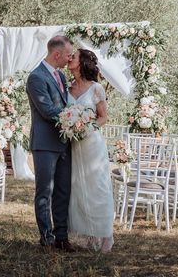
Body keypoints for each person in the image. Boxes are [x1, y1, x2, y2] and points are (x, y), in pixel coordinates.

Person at [26, 35, 75, 252]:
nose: (69, 59)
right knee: (44, 192)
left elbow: (62, 104)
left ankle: (61, 237)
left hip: (64, 143)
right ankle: (46, 238)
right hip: (45, 144)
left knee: (63, 191)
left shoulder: (62, 78)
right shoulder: (36, 77)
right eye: (67, 55)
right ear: (57, 54)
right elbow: (47, 110)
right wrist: (75, 118)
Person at [67, 49, 114, 252]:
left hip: (93, 146)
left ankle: (104, 235)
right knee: (77, 189)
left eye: (74, 56)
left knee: (98, 189)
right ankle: (89, 235)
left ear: (83, 62)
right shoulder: (67, 88)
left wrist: (87, 127)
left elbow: (103, 117)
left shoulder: (96, 88)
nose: (70, 58)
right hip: (73, 146)